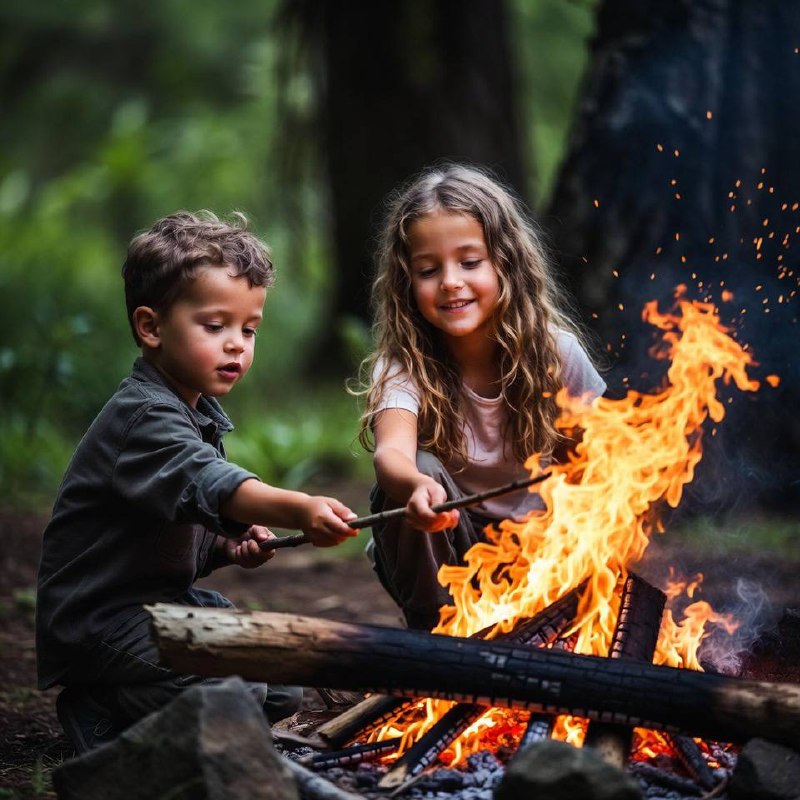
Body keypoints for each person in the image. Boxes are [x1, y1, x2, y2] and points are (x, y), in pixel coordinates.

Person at [36, 211, 358, 753]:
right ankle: (102, 708)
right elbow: (211, 483)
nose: (237, 345)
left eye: (249, 330)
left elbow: (173, 522)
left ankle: (142, 699)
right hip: (101, 624)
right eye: (215, 327)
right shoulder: (142, 418)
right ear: (151, 327)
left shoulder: (195, 412)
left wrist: (226, 547)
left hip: (160, 604)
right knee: (236, 694)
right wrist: (299, 508)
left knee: (278, 686)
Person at [355, 164, 606, 631]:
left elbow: (597, 458)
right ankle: (436, 639)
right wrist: (413, 488)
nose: (450, 281)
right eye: (429, 270)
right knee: (422, 467)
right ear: (407, 282)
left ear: (506, 263)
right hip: (449, 555)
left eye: (470, 262)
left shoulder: (555, 353)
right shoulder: (404, 366)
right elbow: (392, 454)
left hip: (536, 551)